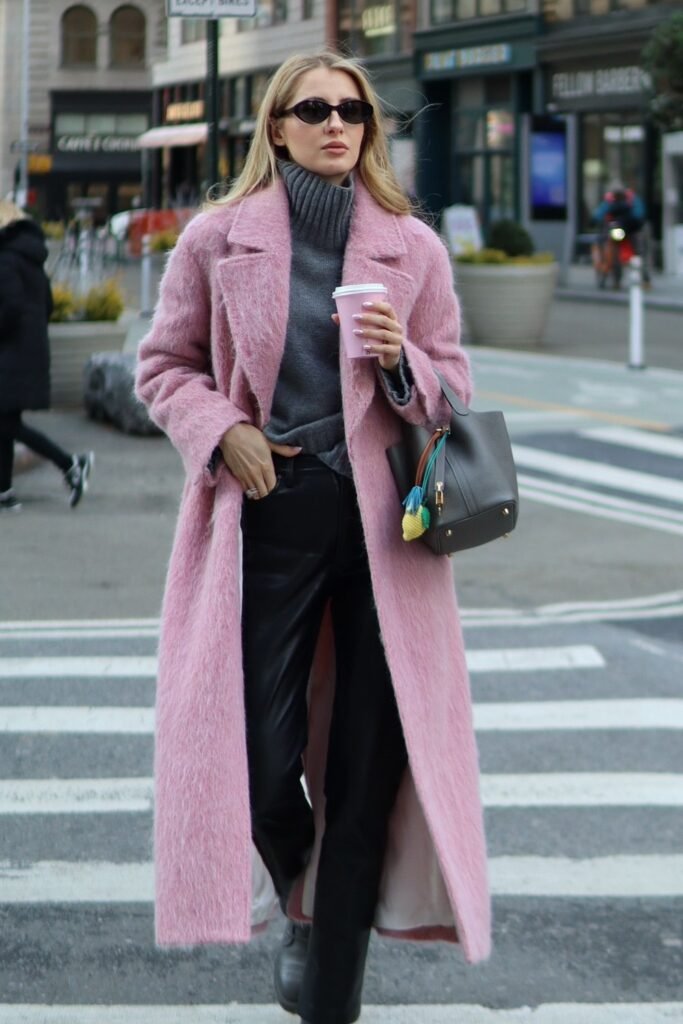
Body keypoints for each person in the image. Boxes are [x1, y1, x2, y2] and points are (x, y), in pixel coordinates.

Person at [135, 51, 490, 1024]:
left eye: (353, 111)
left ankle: (329, 985)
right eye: (314, 109)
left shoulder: (412, 249)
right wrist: (224, 431)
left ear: (368, 128)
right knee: (251, 749)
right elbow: (162, 366)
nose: (337, 124)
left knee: (367, 761)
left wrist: (402, 360)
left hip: (386, 525)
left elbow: (453, 387)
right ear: (277, 126)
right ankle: (298, 886)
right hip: (268, 511)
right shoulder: (214, 240)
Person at [0, 200, 93, 512]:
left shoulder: (5, 261)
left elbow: (9, 309)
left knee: (6, 422)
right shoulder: (31, 260)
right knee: (6, 421)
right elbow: (48, 306)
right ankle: (4, 491)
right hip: (29, 353)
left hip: (10, 355)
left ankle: (70, 463)